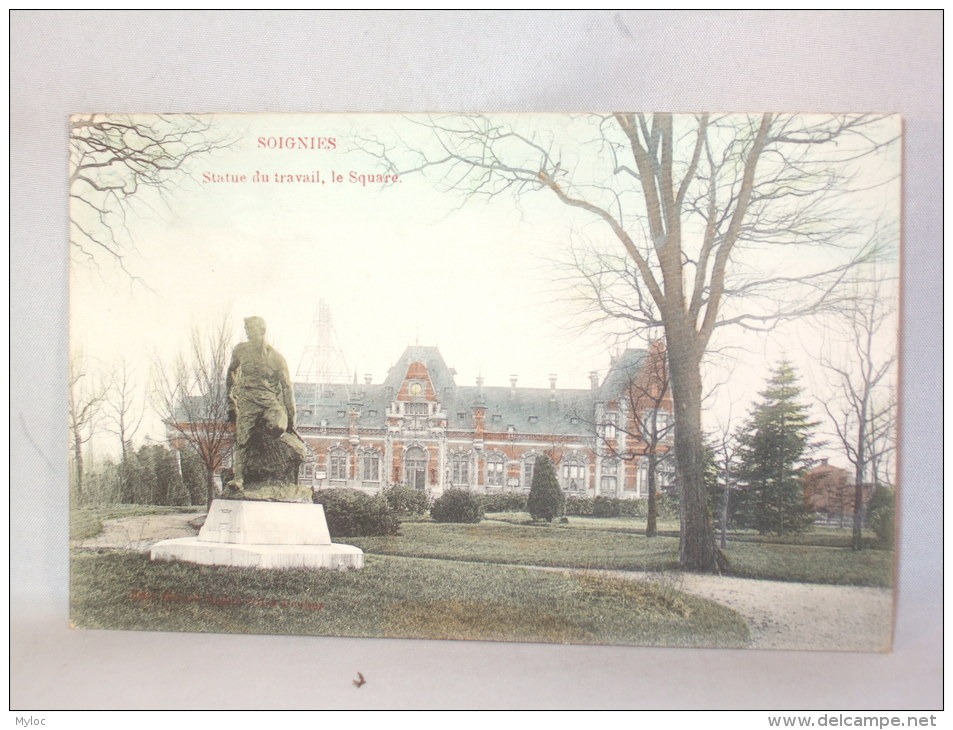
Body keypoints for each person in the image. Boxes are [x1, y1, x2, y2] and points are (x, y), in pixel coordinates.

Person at [225, 316, 308, 490]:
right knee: (242, 438)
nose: (248, 333)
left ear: (262, 331)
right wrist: (230, 396)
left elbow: (287, 389)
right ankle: (239, 479)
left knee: (277, 426)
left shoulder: (277, 358)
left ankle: (276, 463)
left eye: (251, 330)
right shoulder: (240, 350)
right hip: (248, 400)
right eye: (246, 330)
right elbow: (231, 371)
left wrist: (292, 422)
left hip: (270, 401)